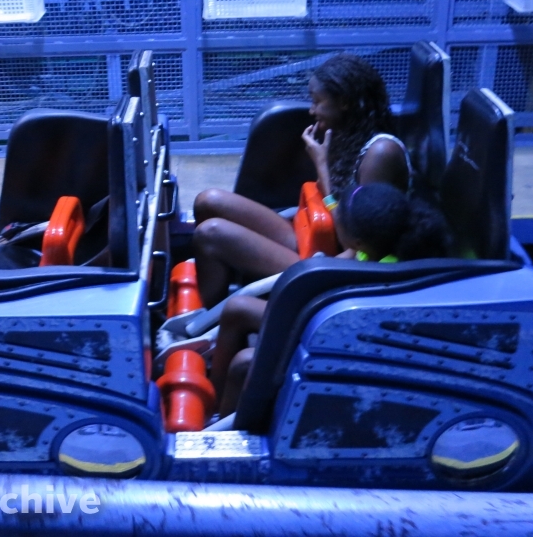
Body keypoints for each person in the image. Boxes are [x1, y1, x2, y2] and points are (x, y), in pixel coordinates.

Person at [209, 182, 452, 417]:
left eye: (340, 221)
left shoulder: (383, 274)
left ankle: (214, 410)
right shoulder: (379, 245)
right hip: (340, 324)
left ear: (357, 241)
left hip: (345, 338)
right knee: (239, 309)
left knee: (242, 345)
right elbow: (336, 266)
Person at [192, 53, 411, 307]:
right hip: (317, 236)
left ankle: (208, 321)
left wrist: (322, 166)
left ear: (344, 102)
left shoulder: (381, 154)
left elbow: (357, 244)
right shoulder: (347, 134)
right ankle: (227, 282)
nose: (311, 110)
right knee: (207, 201)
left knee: (210, 234)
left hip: (341, 262)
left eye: (318, 102)